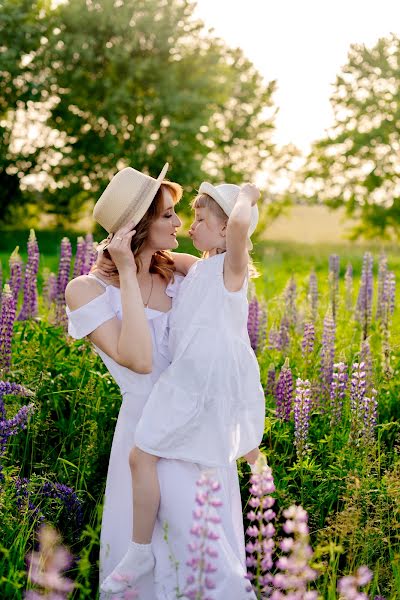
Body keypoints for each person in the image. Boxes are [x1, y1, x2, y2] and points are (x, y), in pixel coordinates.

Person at [65, 164, 258, 599]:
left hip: (199, 426)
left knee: (209, 560)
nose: (179, 224)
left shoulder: (183, 270)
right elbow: (139, 359)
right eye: (168, 214)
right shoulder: (86, 290)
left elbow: (227, 285)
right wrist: (129, 277)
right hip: (146, 434)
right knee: (154, 565)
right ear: (138, 226)